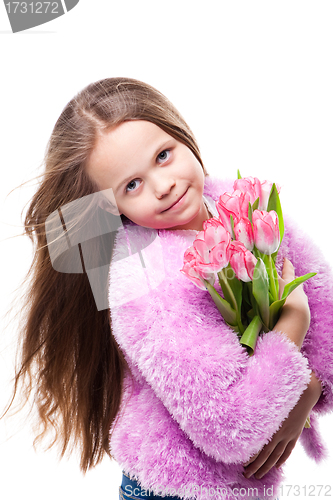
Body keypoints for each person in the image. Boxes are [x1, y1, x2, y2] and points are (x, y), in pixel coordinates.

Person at [3, 77, 332, 500]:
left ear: (179, 133)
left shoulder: (242, 203)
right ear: (113, 206)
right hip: (178, 489)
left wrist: (313, 387)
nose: (164, 186)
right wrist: (294, 322)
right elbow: (229, 425)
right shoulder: (145, 286)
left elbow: (323, 299)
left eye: (163, 155)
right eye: (132, 186)